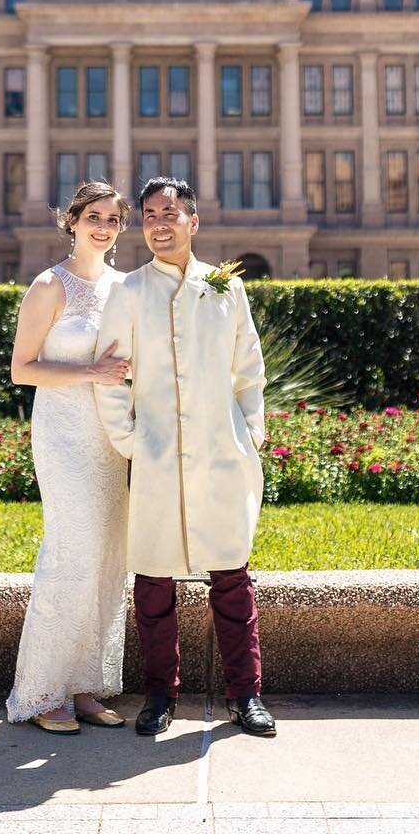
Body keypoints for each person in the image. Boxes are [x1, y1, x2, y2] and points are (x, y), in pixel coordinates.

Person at [93, 176, 276, 739]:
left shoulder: (227, 288)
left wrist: (250, 434)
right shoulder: (128, 291)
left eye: (169, 212)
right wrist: (130, 440)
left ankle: (245, 696)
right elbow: (110, 374)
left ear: (193, 221)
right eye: (149, 214)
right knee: (152, 581)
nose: (159, 222)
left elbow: (249, 370)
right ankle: (159, 696)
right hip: (155, 455)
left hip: (222, 452)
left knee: (231, 576)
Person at [5, 179, 133, 734]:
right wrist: (90, 372)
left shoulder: (126, 286)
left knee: (108, 556)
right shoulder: (48, 286)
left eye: (112, 220)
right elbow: (21, 369)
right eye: (94, 217)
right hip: (62, 433)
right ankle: (43, 691)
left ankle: (84, 685)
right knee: (70, 551)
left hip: (111, 436)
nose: (103, 227)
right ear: (73, 221)